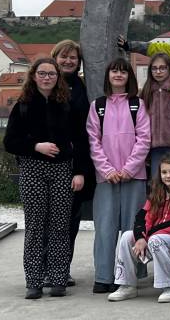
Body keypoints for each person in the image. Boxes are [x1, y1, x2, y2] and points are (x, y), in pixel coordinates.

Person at [4, 58, 83, 299]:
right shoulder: (24, 104)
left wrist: (79, 171)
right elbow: (10, 142)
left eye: (51, 74)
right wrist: (36, 146)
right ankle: (34, 281)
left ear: (58, 77)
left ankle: (58, 278)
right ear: (34, 76)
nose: (47, 77)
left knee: (60, 226)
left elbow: (80, 140)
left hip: (62, 169)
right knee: (35, 228)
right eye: (42, 73)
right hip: (33, 169)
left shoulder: (67, 104)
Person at [87, 57, 151, 293]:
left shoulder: (138, 105)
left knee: (132, 228)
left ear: (129, 78)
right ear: (108, 76)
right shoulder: (98, 106)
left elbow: (144, 139)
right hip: (106, 178)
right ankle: (104, 276)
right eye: (114, 71)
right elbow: (93, 141)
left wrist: (129, 169)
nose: (118, 75)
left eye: (123, 72)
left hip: (134, 176)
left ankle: (130, 275)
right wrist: (108, 170)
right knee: (104, 227)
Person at [107, 154, 170, 303]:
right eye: (164, 172)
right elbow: (142, 216)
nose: (168, 176)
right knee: (126, 237)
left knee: (156, 240)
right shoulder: (158, 190)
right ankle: (127, 285)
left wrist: (147, 237)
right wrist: (140, 238)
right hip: (156, 237)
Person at [51, 40, 95, 288]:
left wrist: (80, 169)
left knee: (70, 220)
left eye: (73, 58)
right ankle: (45, 268)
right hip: (49, 162)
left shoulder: (81, 88)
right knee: (49, 220)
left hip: (75, 163)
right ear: (55, 57)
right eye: (64, 57)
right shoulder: (45, 84)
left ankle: (62, 268)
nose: (68, 61)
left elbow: (83, 132)